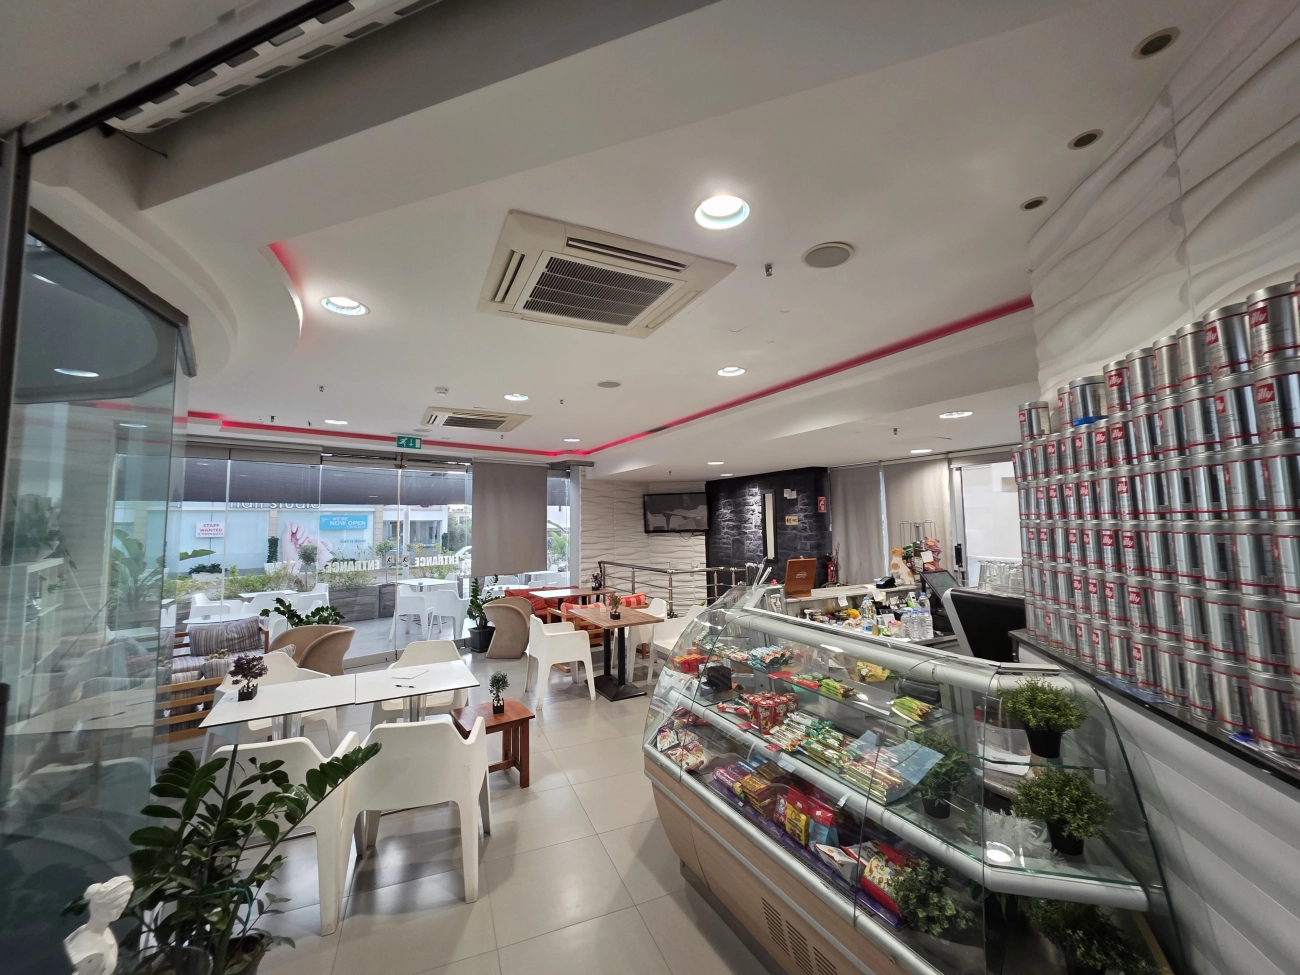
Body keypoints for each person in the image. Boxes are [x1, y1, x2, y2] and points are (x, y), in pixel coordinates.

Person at [64, 875, 133, 975]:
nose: (119, 909)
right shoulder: (85, 941)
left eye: (122, 904)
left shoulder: (107, 934)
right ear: (96, 907)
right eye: (115, 905)